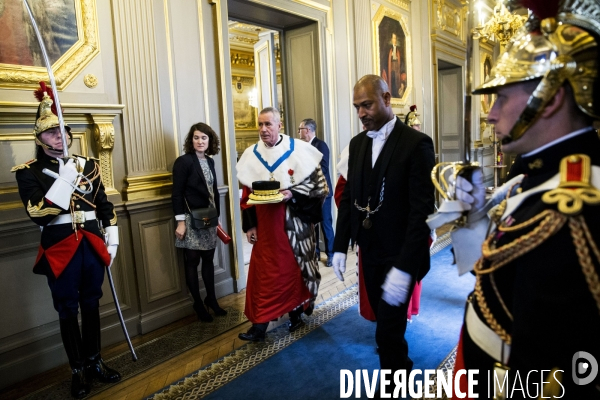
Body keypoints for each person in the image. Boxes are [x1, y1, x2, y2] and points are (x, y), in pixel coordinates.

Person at [428, 1, 600, 396]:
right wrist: (473, 217)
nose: (490, 114)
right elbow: (496, 276)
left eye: (502, 97)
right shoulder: (542, 176)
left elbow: (553, 373)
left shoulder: (570, 211)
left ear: (550, 98)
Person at [12, 83, 121, 398]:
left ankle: (95, 361)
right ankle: (78, 371)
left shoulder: (90, 165)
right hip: (59, 248)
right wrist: (65, 179)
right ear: (39, 138)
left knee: (91, 304)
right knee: (67, 309)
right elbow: (38, 213)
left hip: (90, 244)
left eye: (64, 130)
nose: (60, 136)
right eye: (52, 132)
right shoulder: (28, 172)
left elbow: (104, 207)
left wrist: (111, 242)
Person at [332, 75, 435, 380]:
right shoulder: (357, 144)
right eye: (356, 107)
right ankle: (399, 368)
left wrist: (405, 267)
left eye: (367, 104)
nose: (361, 113)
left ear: (387, 99)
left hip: (401, 253)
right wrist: (339, 245)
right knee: (383, 323)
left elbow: (421, 213)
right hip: (371, 252)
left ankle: (395, 381)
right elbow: (350, 198)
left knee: (388, 331)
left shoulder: (417, 143)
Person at [236, 107, 329, 341]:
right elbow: (246, 195)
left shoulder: (299, 151)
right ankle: (259, 325)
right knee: (262, 275)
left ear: (280, 125)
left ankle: (296, 312)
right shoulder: (251, 154)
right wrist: (250, 226)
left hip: (293, 227)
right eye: (260, 124)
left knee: (291, 272)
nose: (263, 129)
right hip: (265, 228)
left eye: (268, 124)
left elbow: (319, 189)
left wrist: (293, 195)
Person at [172, 123, 226, 323]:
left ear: (209, 140)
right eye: (196, 138)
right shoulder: (183, 162)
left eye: (204, 137)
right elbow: (177, 194)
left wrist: (216, 217)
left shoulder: (210, 162)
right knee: (192, 262)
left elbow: (212, 192)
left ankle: (211, 299)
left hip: (208, 219)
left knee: (208, 261)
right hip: (189, 220)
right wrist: (180, 223)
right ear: (191, 140)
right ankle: (197, 303)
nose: (200, 141)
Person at [298, 118, 334, 267]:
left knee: (326, 223)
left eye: (300, 129)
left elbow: (324, 168)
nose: (299, 132)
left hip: (323, 192)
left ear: (307, 130)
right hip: (309, 192)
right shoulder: (302, 147)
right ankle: (316, 254)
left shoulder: (321, 145)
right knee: (313, 224)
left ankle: (331, 254)